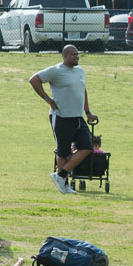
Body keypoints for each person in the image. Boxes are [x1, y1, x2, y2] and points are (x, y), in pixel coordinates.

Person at [29, 44, 96, 195]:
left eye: (77, 54)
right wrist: (48, 99)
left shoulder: (80, 71)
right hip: (61, 117)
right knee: (63, 153)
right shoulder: (56, 71)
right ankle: (63, 185)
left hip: (78, 117)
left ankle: (60, 176)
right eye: (73, 54)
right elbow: (34, 80)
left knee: (86, 148)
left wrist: (88, 112)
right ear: (64, 56)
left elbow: (82, 90)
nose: (76, 57)